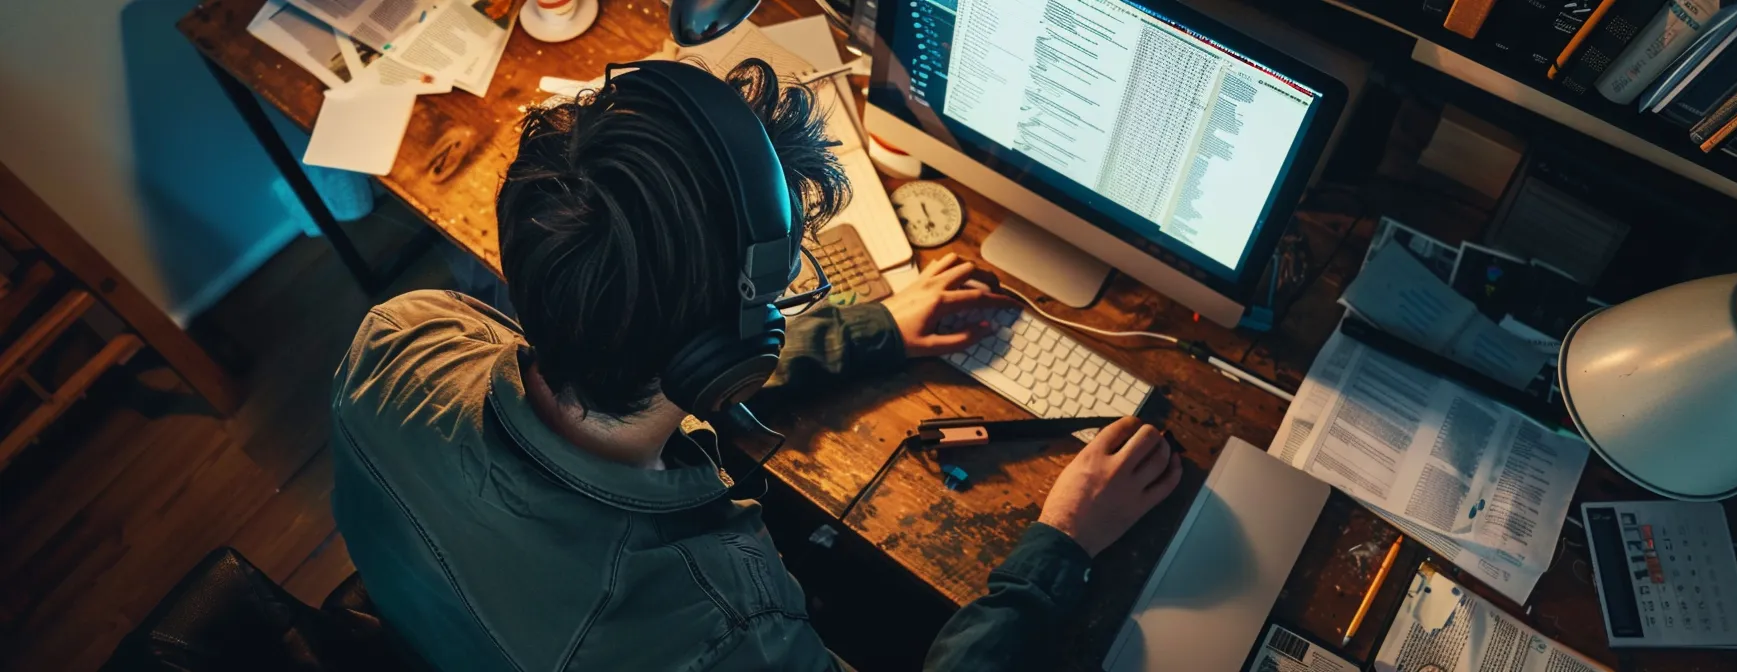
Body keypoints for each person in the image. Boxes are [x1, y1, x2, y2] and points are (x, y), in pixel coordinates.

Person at [330, 59, 1182, 671]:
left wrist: (875, 327)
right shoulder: (721, 629)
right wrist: (1058, 547)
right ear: (729, 353)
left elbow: (651, 350)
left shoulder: (403, 335)